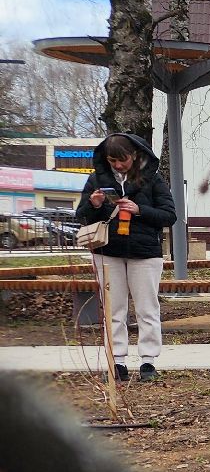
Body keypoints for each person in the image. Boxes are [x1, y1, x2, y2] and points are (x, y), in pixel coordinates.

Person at [75, 133, 176, 383]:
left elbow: (169, 215)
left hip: (144, 253)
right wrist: (94, 205)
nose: (118, 165)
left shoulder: (152, 178)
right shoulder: (97, 179)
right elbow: (81, 216)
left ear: (134, 155)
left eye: (123, 160)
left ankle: (148, 361)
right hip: (108, 252)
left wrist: (139, 210)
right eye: (112, 160)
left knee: (147, 308)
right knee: (113, 308)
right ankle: (117, 360)